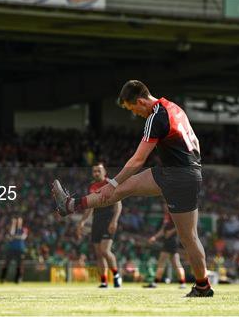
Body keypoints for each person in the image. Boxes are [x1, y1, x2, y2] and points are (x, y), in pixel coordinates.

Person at [52, 80, 214, 297]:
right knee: (122, 189)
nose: (135, 114)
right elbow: (195, 142)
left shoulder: (155, 117)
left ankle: (203, 286)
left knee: (188, 237)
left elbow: (138, 159)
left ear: (139, 101)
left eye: (133, 109)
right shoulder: (174, 108)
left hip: (179, 177)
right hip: (175, 171)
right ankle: (69, 205)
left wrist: (114, 181)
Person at [76, 163, 122, 288]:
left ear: (104, 172)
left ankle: (117, 277)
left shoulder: (111, 184)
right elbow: (89, 207)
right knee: (98, 253)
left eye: (98, 171)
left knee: (105, 251)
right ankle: (104, 281)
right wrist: (82, 221)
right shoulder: (92, 186)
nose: (96, 173)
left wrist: (114, 220)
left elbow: (118, 204)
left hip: (108, 218)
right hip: (97, 220)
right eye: (94, 171)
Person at [144, 206, 186, 289]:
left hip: (172, 241)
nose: (164, 207)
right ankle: (182, 283)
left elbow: (180, 225)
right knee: (174, 263)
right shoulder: (167, 216)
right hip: (168, 241)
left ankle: (155, 283)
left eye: (165, 205)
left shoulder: (174, 214)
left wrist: (171, 232)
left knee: (163, 262)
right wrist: (155, 237)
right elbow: (163, 230)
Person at [0, 216, 28, 283]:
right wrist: (13, 226)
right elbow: (10, 236)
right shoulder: (12, 229)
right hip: (11, 249)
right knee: (6, 263)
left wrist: (13, 237)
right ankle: (3, 278)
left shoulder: (24, 229)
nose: (18, 222)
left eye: (19, 221)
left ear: (21, 222)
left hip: (20, 249)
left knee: (19, 264)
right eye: (16, 221)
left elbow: (23, 237)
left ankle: (18, 278)